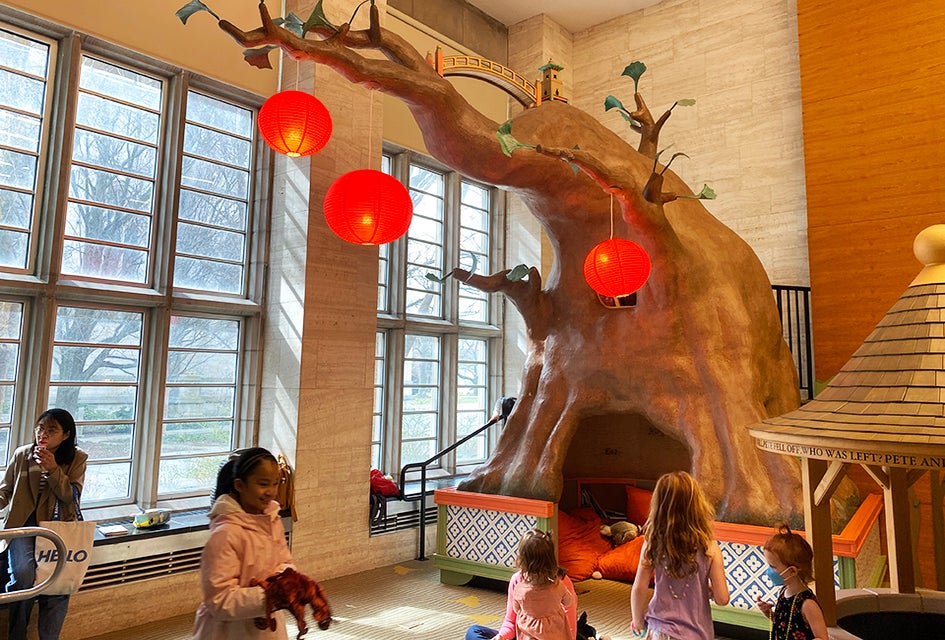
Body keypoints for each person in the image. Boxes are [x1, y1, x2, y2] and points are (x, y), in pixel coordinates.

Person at [0, 408, 88, 640]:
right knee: (22, 575)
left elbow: (71, 497)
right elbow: (5, 490)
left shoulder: (77, 458)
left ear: (66, 435)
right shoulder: (22, 454)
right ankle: (16, 635)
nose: (43, 434)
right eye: (40, 428)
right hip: (22, 525)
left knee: (58, 583)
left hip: (56, 527)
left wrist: (53, 470)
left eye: (51, 430)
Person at [192, 447, 298, 640]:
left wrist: (290, 582)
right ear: (240, 485)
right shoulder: (225, 534)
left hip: (269, 628)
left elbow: (284, 561)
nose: (271, 492)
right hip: (228, 632)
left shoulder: (272, 520)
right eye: (263, 484)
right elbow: (219, 600)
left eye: (275, 484)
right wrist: (270, 596)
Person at [630, 471, 730, 640]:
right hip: (696, 633)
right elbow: (722, 599)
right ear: (697, 505)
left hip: (660, 629)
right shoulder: (709, 548)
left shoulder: (653, 542)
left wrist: (637, 620)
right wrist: (710, 591)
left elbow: (639, 587)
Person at [465, 529, 577, 640]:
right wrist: (501, 636)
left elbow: (570, 625)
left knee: (473, 633)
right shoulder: (518, 580)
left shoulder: (561, 581)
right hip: (523, 635)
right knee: (474, 631)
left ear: (522, 559)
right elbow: (511, 621)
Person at [755, 524, 828, 640]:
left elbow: (822, 637)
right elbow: (784, 626)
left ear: (792, 571)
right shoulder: (784, 592)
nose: (769, 571)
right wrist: (767, 612)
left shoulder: (808, 604)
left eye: (772, 566)